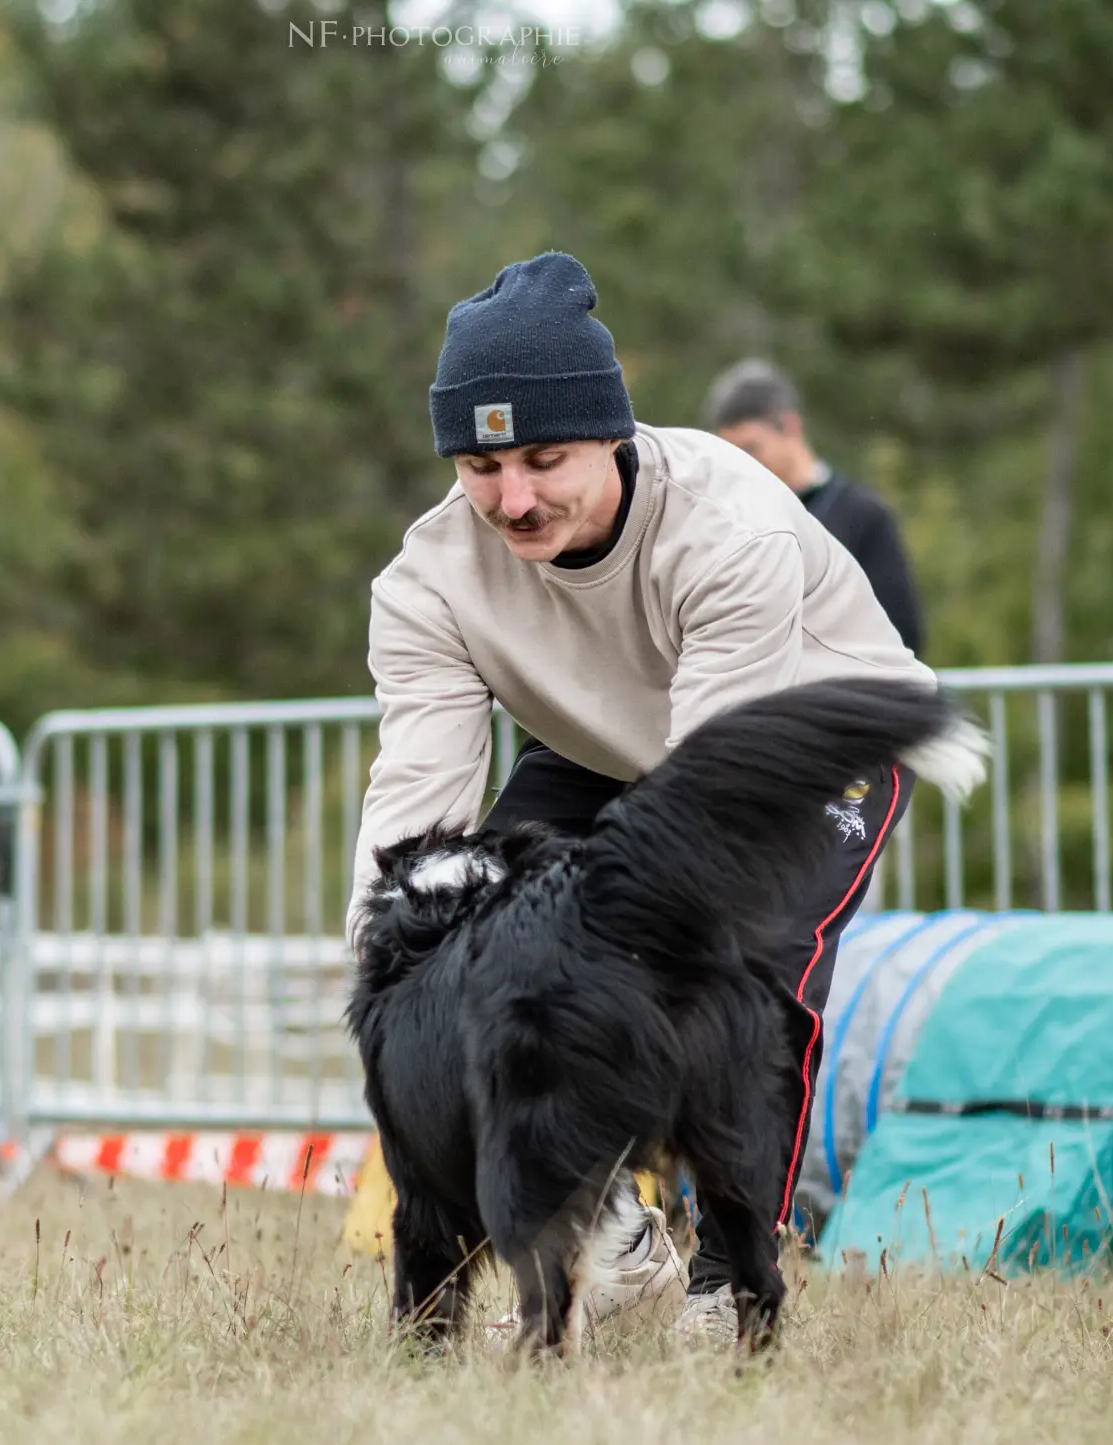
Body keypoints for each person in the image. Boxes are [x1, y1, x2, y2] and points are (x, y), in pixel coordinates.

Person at [347, 252, 938, 1340]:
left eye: (544, 458)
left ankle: (728, 1273)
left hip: (792, 742)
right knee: (489, 944)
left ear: (611, 435)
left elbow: (696, 821)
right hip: (596, 746)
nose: (512, 498)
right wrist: (385, 988)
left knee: (741, 959)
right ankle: (607, 1216)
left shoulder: (726, 526)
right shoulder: (426, 581)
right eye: (480, 467)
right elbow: (417, 813)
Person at [703, 357, 927, 658]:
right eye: (730, 452)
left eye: (751, 448)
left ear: (791, 427)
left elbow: (901, 631)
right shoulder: (728, 519)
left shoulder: (863, 516)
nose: (742, 463)